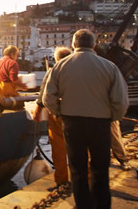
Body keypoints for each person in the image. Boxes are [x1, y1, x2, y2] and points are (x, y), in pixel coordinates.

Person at [44, 29, 129, 209]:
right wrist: (113, 117)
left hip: (72, 122)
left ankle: (83, 205)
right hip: (100, 123)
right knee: (100, 168)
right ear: (93, 45)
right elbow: (121, 100)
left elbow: (48, 98)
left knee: (77, 169)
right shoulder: (109, 67)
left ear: (74, 45)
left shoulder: (60, 67)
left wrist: (60, 113)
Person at [35, 46, 72, 187]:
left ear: (57, 59)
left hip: (59, 115)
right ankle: (85, 178)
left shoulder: (54, 71)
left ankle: (62, 181)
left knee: (59, 149)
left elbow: (44, 96)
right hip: (80, 115)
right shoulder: (80, 71)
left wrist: (42, 111)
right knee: (82, 148)